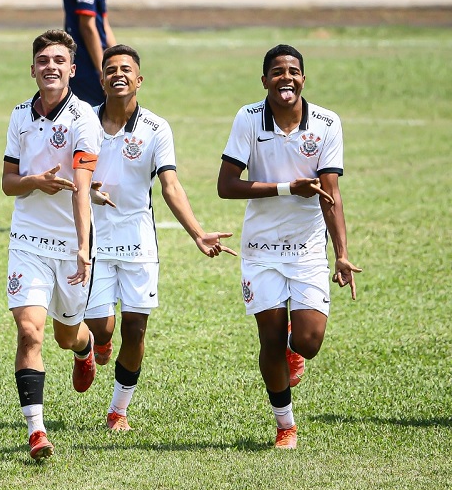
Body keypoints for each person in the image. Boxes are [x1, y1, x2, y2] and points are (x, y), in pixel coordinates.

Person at [84, 44, 236, 432]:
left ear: (139, 79)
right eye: (111, 69)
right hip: (91, 240)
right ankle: (93, 345)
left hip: (138, 242)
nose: (119, 74)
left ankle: (118, 410)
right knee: (102, 328)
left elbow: (169, 185)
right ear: (101, 79)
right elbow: (65, 176)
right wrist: (85, 192)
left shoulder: (156, 128)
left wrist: (198, 232)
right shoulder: (83, 122)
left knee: (135, 330)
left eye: (126, 69)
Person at [217, 44, 361, 449]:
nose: (286, 78)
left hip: (307, 248)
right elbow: (226, 186)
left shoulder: (327, 123)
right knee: (270, 339)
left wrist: (342, 254)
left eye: (293, 71)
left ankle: (295, 349)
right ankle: (286, 426)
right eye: (277, 72)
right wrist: (286, 188)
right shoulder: (248, 119)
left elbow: (330, 193)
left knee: (308, 342)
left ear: (303, 78)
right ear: (264, 80)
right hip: (261, 249)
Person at [2, 29, 101, 460]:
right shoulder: (19, 116)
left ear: (72, 70)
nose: (51, 67)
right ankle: (37, 431)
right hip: (27, 241)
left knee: (65, 336)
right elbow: (8, 184)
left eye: (59, 60)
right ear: (33, 69)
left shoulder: (84, 119)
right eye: (43, 60)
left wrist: (83, 244)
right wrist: (34, 183)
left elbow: (82, 185)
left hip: (71, 245)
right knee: (29, 332)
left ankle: (86, 348)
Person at [62, 0, 116, 107]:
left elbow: (103, 23)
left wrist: (118, 60)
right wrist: (103, 71)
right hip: (86, 64)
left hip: (97, 61)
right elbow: (87, 26)